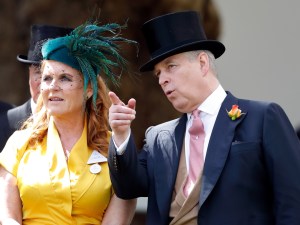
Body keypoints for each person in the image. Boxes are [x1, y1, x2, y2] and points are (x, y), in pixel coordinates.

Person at [108, 11, 300, 225]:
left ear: (202, 63)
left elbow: (293, 200)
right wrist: (120, 135)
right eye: (158, 73)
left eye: (170, 66)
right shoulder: (158, 137)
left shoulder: (263, 117)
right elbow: (128, 187)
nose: (162, 80)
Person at [0, 21, 136, 224]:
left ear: (89, 89)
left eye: (65, 78)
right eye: (47, 78)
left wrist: (122, 134)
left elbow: (121, 210)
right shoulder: (20, 143)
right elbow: (8, 216)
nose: (52, 87)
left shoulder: (112, 148)